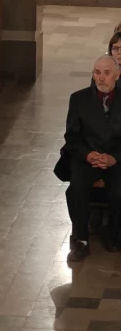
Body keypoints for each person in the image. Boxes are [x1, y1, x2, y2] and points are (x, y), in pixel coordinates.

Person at [64, 56, 121, 261]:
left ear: (117, 75)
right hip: (87, 158)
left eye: (106, 73)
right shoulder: (78, 99)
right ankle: (80, 239)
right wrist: (88, 155)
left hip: (116, 158)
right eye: (97, 72)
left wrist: (114, 158)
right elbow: (72, 137)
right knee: (76, 190)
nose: (101, 78)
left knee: (119, 191)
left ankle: (114, 234)